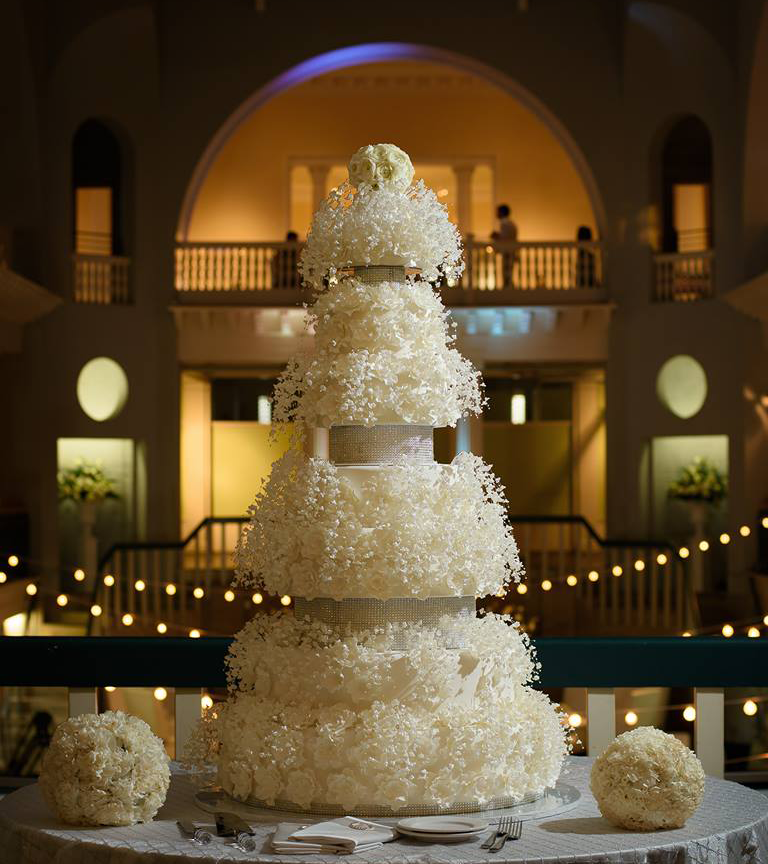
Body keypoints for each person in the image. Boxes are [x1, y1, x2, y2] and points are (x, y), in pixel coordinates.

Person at [491, 204, 518, 288]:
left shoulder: (505, 223)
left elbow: (505, 237)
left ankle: (508, 289)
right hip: (510, 251)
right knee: (508, 271)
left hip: (508, 251)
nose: (496, 214)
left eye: (497, 212)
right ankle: (508, 287)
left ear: (502, 212)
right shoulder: (509, 223)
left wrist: (496, 236)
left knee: (507, 272)